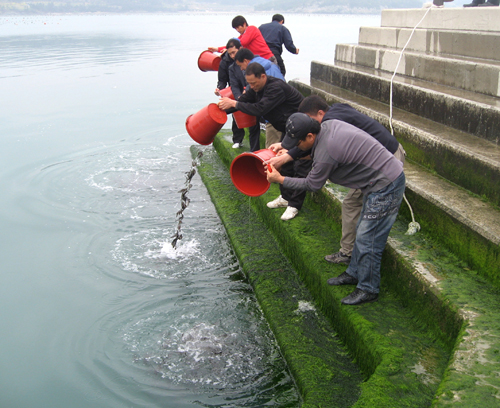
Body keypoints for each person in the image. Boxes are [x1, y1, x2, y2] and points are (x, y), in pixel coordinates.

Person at [266, 113, 406, 306]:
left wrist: (280, 180)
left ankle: (368, 288)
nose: (294, 147)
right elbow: (307, 151)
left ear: (310, 136)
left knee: (368, 237)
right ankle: (353, 273)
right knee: (362, 231)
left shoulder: (327, 150)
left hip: (386, 184)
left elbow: (313, 184)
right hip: (374, 180)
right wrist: (288, 150)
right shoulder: (328, 126)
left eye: (296, 143)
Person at [293, 95, 406, 266]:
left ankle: (353, 260)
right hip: (386, 154)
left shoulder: (329, 123)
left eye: (310, 120)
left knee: (362, 220)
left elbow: (313, 183)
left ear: (321, 113)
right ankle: (351, 256)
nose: (310, 126)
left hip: (386, 162)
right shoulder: (338, 109)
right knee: (353, 205)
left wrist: (285, 163)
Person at [218, 62, 307, 221]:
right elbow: (244, 101)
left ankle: (294, 205)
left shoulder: (276, 88)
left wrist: (234, 103)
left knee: (299, 166)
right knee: (282, 162)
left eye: (254, 83)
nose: (251, 86)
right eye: (249, 83)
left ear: (263, 76)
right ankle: (285, 198)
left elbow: (260, 109)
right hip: (287, 130)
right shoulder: (256, 88)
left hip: (301, 129)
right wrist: (223, 107)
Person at [225, 40, 261, 152]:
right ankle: (238, 140)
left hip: (255, 93)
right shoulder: (232, 68)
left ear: (240, 48)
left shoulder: (255, 61)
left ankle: (255, 150)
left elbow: (255, 79)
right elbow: (234, 85)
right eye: (230, 54)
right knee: (236, 116)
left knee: (254, 124)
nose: (232, 55)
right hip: (243, 95)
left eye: (234, 52)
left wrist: (248, 91)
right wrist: (239, 98)